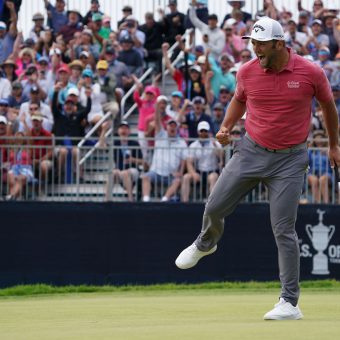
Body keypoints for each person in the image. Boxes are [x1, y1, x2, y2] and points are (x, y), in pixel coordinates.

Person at [175, 17, 340, 320]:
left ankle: (289, 302)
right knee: (214, 205)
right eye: (253, 42)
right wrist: (226, 127)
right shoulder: (247, 71)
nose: (256, 48)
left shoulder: (311, 72)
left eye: (261, 43)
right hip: (250, 151)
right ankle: (205, 243)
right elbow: (239, 101)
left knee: (283, 230)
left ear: (279, 43)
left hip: (290, 160)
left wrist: (333, 145)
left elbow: (328, 107)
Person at [181, 121, 222, 202]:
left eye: (205, 131)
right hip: (198, 172)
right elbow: (189, 162)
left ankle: (212, 204)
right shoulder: (193, 145)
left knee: (213, 177)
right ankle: (184, 203)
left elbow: (221, 157)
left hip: (212, 171)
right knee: (186, 177)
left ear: (208, 131)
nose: (203, 133)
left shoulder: (215, 143)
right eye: (201, 131)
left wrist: (215, 145)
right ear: (198, 132)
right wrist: (193, 173)